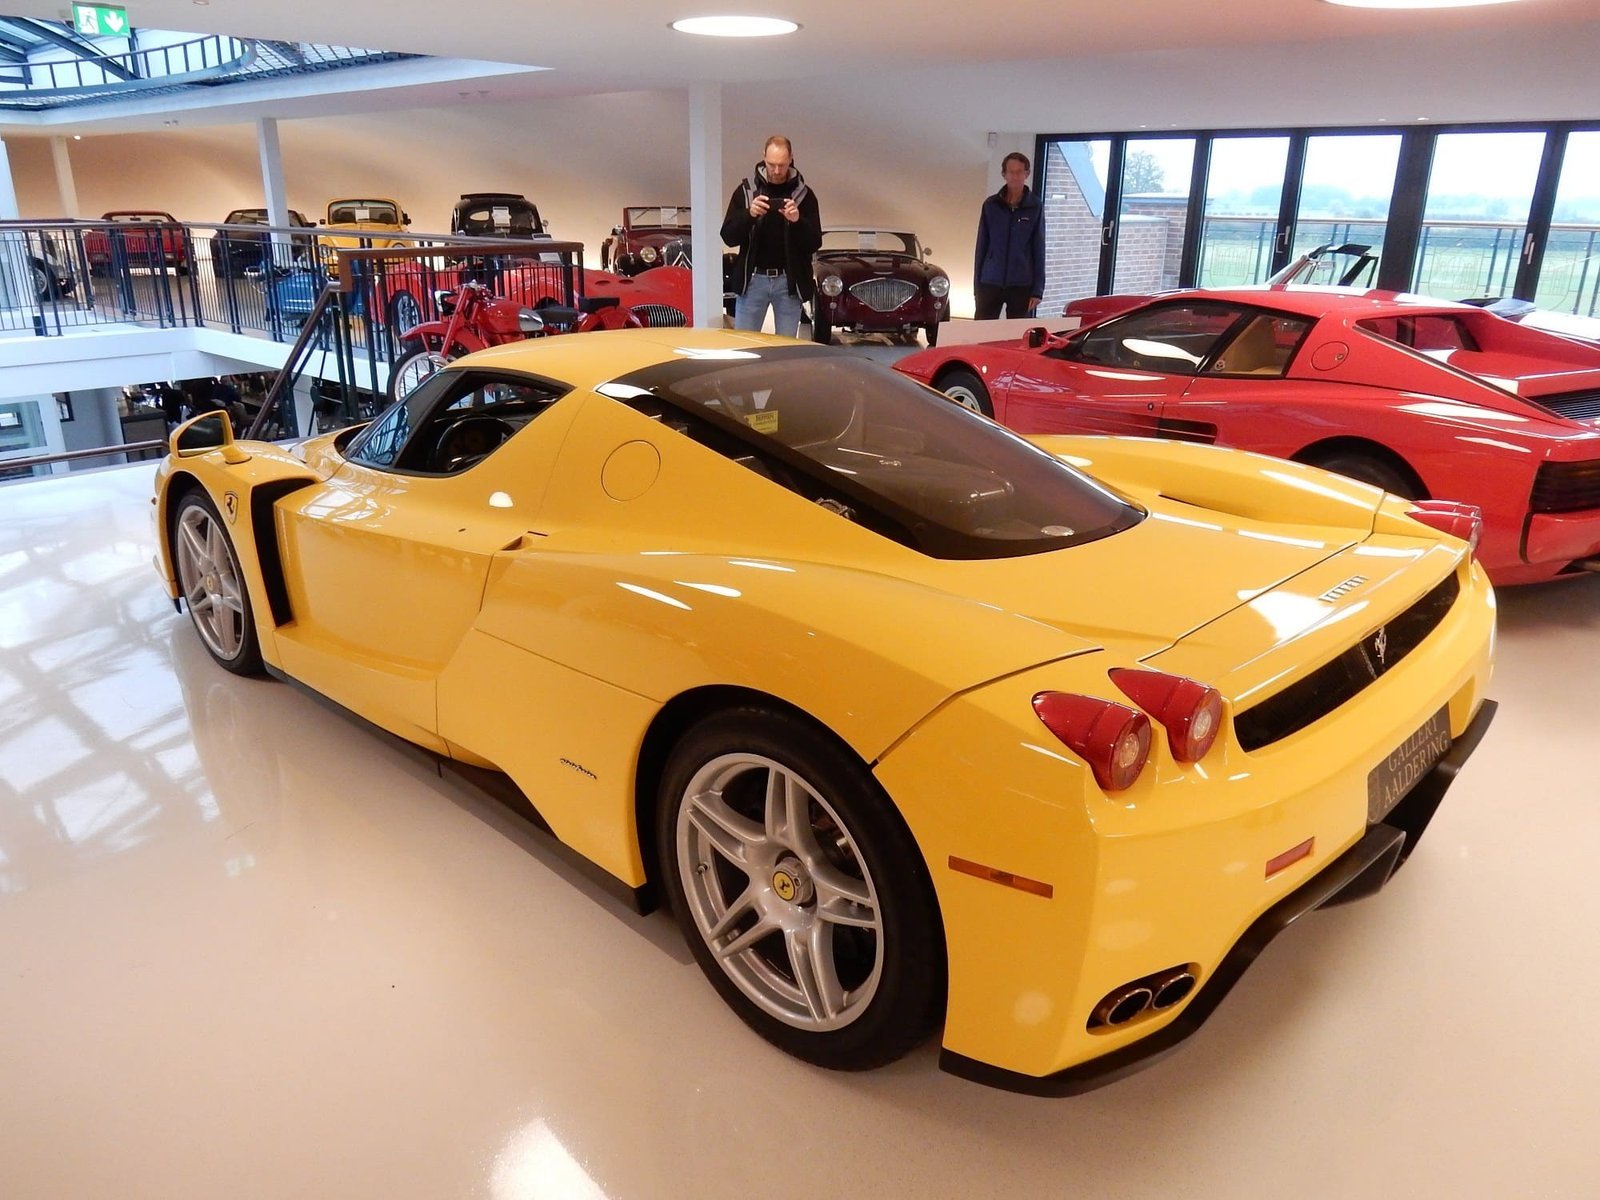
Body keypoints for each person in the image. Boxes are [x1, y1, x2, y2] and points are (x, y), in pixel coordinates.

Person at [721, 135, 822, 338]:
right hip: (752, 281)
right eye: (771, 164)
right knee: (745, 345)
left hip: (788, 283)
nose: (776, 171)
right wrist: (749, 214)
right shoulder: (746, 192)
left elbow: (814, 243)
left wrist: (797, 221)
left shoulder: (804, 195)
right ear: (763, 157)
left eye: (782, 165)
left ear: (791, 158)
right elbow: (728, 237)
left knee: (785, 349)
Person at [974, 151, 1046, 320]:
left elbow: (1039, 248)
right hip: (990, 281)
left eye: (1019, 172)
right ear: (1004, 174)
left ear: (1027, 174)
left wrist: (1038, 290)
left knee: (1018, 333)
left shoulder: (1035, 206)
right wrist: (977, 285)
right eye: (1011, 172)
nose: (1015, 176)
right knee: (982, 331)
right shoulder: (991, 205)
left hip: (1022, 283)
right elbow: (981, 245)